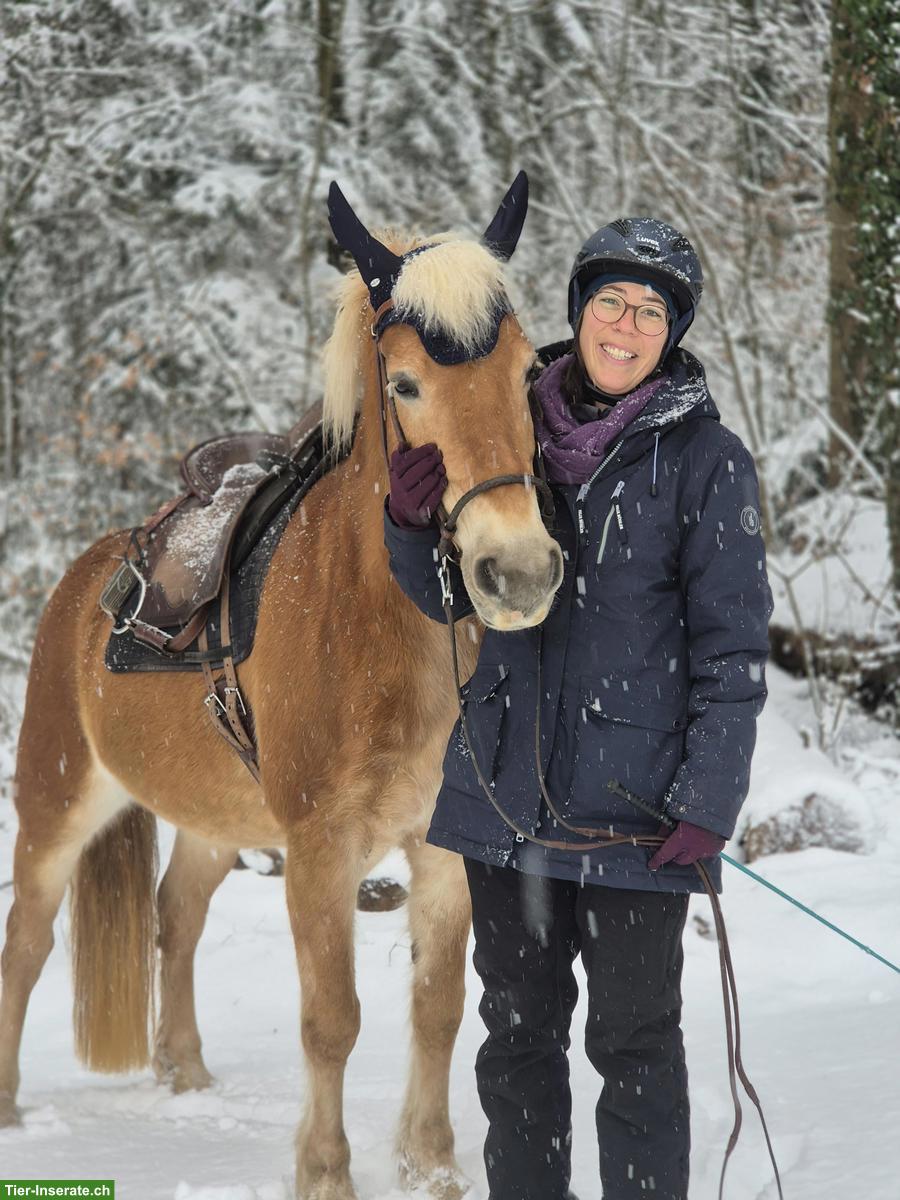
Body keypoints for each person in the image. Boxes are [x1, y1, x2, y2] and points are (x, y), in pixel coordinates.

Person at [383, 218, 773, 1200]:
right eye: (611, 299)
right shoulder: (505, 423)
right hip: (506, 804)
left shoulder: (706, 460)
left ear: (669, 333)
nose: (626, 323)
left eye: (651, 311)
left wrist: (707, 800)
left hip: (636, 821)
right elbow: (450, 597)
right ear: (578, 308)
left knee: (635, 1045)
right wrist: (406, 522)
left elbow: (733, 648)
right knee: (517, 1041)